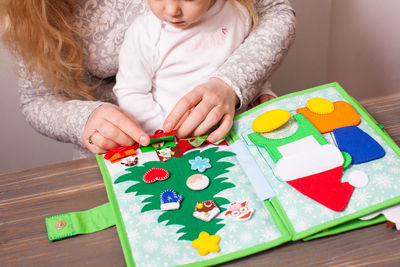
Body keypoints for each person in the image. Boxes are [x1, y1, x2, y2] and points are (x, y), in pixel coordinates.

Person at [0, 0, 296, 159]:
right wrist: (85, 120)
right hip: (133, 150)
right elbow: (37, 98)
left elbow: (267, 15)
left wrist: (242, 83)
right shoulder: (144, 33)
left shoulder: (232, 13)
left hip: (234, 136)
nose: (172, 10)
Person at [114, 0, 277, 137]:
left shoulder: (238, 13)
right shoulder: (144, 33)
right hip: (179, 139)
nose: (172, 10)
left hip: (239, 129)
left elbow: (248, 59)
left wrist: (262, 90)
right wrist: (167, 130)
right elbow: (131, 92)